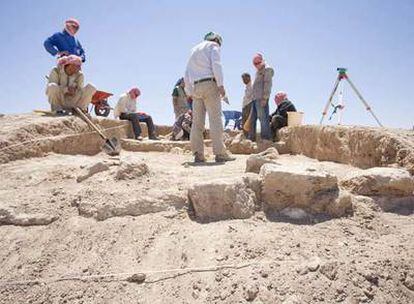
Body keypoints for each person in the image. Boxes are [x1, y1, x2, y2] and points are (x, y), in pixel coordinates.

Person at [184, 32, 235, 163]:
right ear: (217, 40)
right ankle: (220, 153)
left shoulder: (194, 49)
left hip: (196, 87)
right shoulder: (213, 46)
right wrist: (221, 85)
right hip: (210, 84)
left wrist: (189, 91)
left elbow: (187, 72)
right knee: (215, 120)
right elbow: (216, 65)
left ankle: (198, 154)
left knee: (197, 123)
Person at [248, 53, 274, 141]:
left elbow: (268, 84)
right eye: (254, 64)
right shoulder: (258, 71)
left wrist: (265, 98)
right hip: (254, 99)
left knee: (263, 118)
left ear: (262, 60)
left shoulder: (267, 69)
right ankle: (251, 139)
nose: (256, 65)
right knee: (252, 119)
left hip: (261, 98)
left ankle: (266, 139)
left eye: (258, 63)